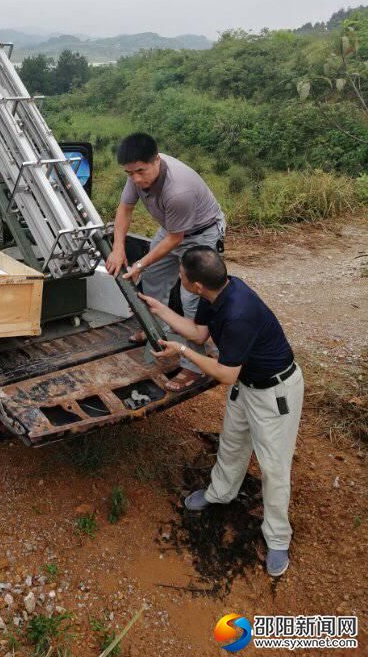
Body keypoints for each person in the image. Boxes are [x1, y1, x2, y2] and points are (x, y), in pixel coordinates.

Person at [140, 245, 304, 577]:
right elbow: (200, 332)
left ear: (197, 284)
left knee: (273, 468)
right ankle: (220, 493)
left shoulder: (239, 312)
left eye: (182, 275)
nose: (179, 276)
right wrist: (159, 310)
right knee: (231, 443)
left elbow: (225, 373)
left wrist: (182, 351)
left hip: (275, 393)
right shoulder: (217, 292)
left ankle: (277, 538)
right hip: (247, 384)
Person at [105, 133, 225, 391]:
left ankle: (195, 368)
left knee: (192, 299)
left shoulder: (178, 190)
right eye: (129, 173)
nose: (136, 179)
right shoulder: (136, 174)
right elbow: (125, 208)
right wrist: (118, 248)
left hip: (199, 234)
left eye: (141, 171)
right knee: (153, 278)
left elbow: (175, 239)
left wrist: (139, 264)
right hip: (172, 229)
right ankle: (154, 328)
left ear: (156, 160)